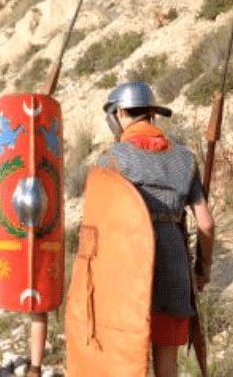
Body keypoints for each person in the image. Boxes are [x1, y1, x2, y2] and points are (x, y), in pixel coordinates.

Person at [93, 81, 214, 376]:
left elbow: (100, 226)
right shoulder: (185, 159)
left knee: (127, 359)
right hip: (174, 265)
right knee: (167, 361)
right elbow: (206, 222)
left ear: (120, 113)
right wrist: (200, 271)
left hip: (130, 267)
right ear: (152, 115)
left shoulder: (112, 160)